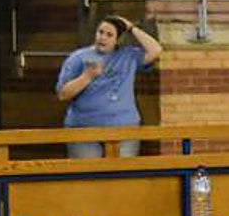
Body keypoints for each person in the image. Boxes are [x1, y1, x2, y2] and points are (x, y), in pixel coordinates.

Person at [55, 15, 162, 158]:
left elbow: (156, 50)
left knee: (121, 170)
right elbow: (63, 94)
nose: (102, 38)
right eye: (100, 32)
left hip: (124, 127)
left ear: (118, 40)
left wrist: (131, 27)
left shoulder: (129, 55)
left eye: (109, 35)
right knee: (88, 172)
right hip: (84, 128)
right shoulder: (78, 58)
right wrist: (87, 76)